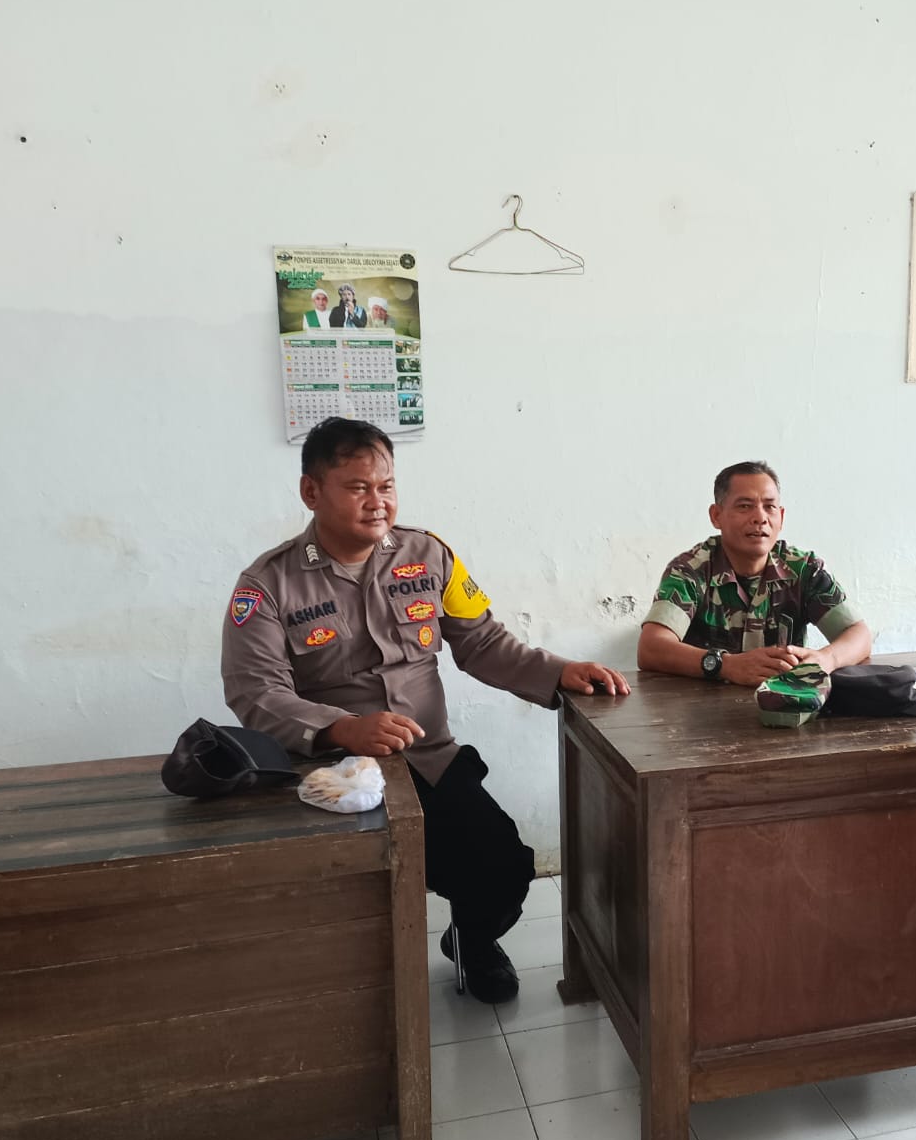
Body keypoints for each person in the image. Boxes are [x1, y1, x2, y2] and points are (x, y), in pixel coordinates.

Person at [221, 417, 628, 1003]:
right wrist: (342, 727)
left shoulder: (429, 555)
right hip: (336, 775)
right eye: (357, 487)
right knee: (353, 892)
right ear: (311, 491)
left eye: (386, 485)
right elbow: (255, 692)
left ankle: (471, 942)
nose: (377, 501)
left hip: (429, 758)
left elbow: (482, 642)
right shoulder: (267, 585)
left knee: (504, 866)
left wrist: (558, 671)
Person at [637, 461, 871, 684]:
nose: (760, 518)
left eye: (769, 507)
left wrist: (827, 659)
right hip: (701, 706)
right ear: (716, 516)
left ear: (781, 517)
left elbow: (858, 635)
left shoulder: (804, 569)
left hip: (783, 701)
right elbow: (650, 648)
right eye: (744, 506)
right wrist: (726, 665)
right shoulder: (691, 570)